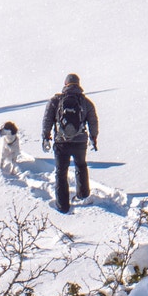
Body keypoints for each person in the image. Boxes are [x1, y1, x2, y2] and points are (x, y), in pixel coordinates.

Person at [41, 72, 99, 213]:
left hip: (62, 142)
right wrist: (93, 137)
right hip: (80, 141)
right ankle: (83, 195)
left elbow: (47, 119)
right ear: (78, 85)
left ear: (65, 84)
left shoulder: (56, 101)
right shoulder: (86, 102)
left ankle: (62, 206)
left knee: (61, 172)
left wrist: (46, 136)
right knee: (81, 166)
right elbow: (93, 121)